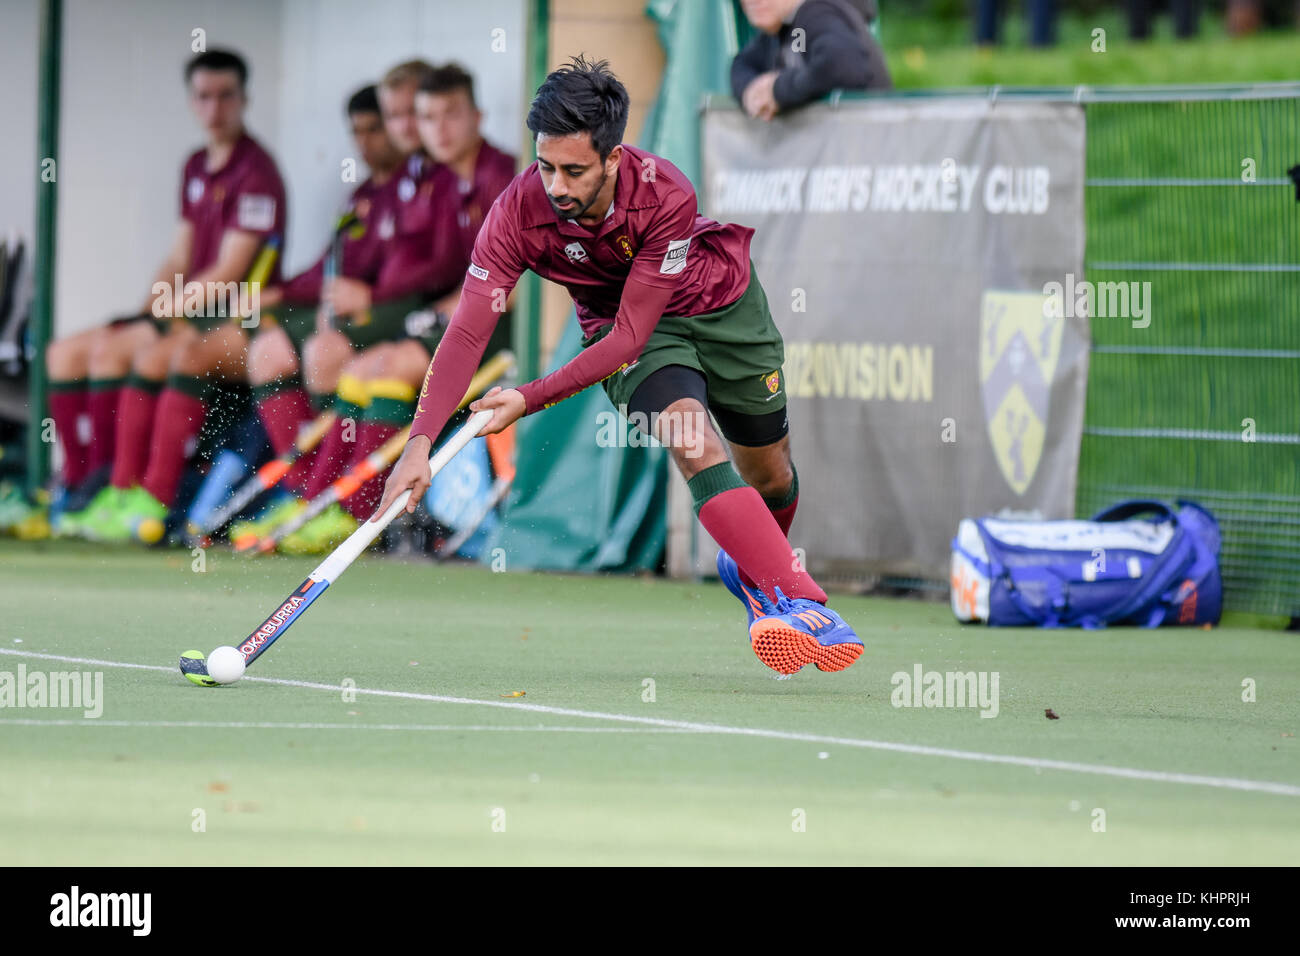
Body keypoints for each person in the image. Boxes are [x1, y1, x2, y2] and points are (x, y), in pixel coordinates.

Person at [376, 56, 863, 676]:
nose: (556, 186)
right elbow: (469, 328)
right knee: (692, 440)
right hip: (627, 333)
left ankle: (749, 566)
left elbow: (635, 330)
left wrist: (531, 396)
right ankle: (800, 600)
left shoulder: (665, 193)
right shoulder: (517, 212)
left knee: (770, 477)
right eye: (546, 165)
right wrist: (419, 442)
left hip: (720, 308)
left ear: (613, 157)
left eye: (574, 170)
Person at [47, 50, 285, 537]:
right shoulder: (196, 165)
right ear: (191, 102)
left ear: (245, 100)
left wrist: (165, 314)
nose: (214, 109)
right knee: (63, 354)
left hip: (228, 315)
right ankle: (80, 488)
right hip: (185, 306)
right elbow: (179, 256)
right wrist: (147, 309)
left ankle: (136, 496)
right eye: (203, 97)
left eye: (225, 97)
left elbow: (228, 273)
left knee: (135, 353)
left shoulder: (257, 172)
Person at [731, 0, 891, 122]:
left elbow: (843, 67)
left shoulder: (818, 13)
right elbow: (742, 65)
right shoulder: (783, 28)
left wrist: (777, 90)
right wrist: (754, 93)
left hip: (865, 152)